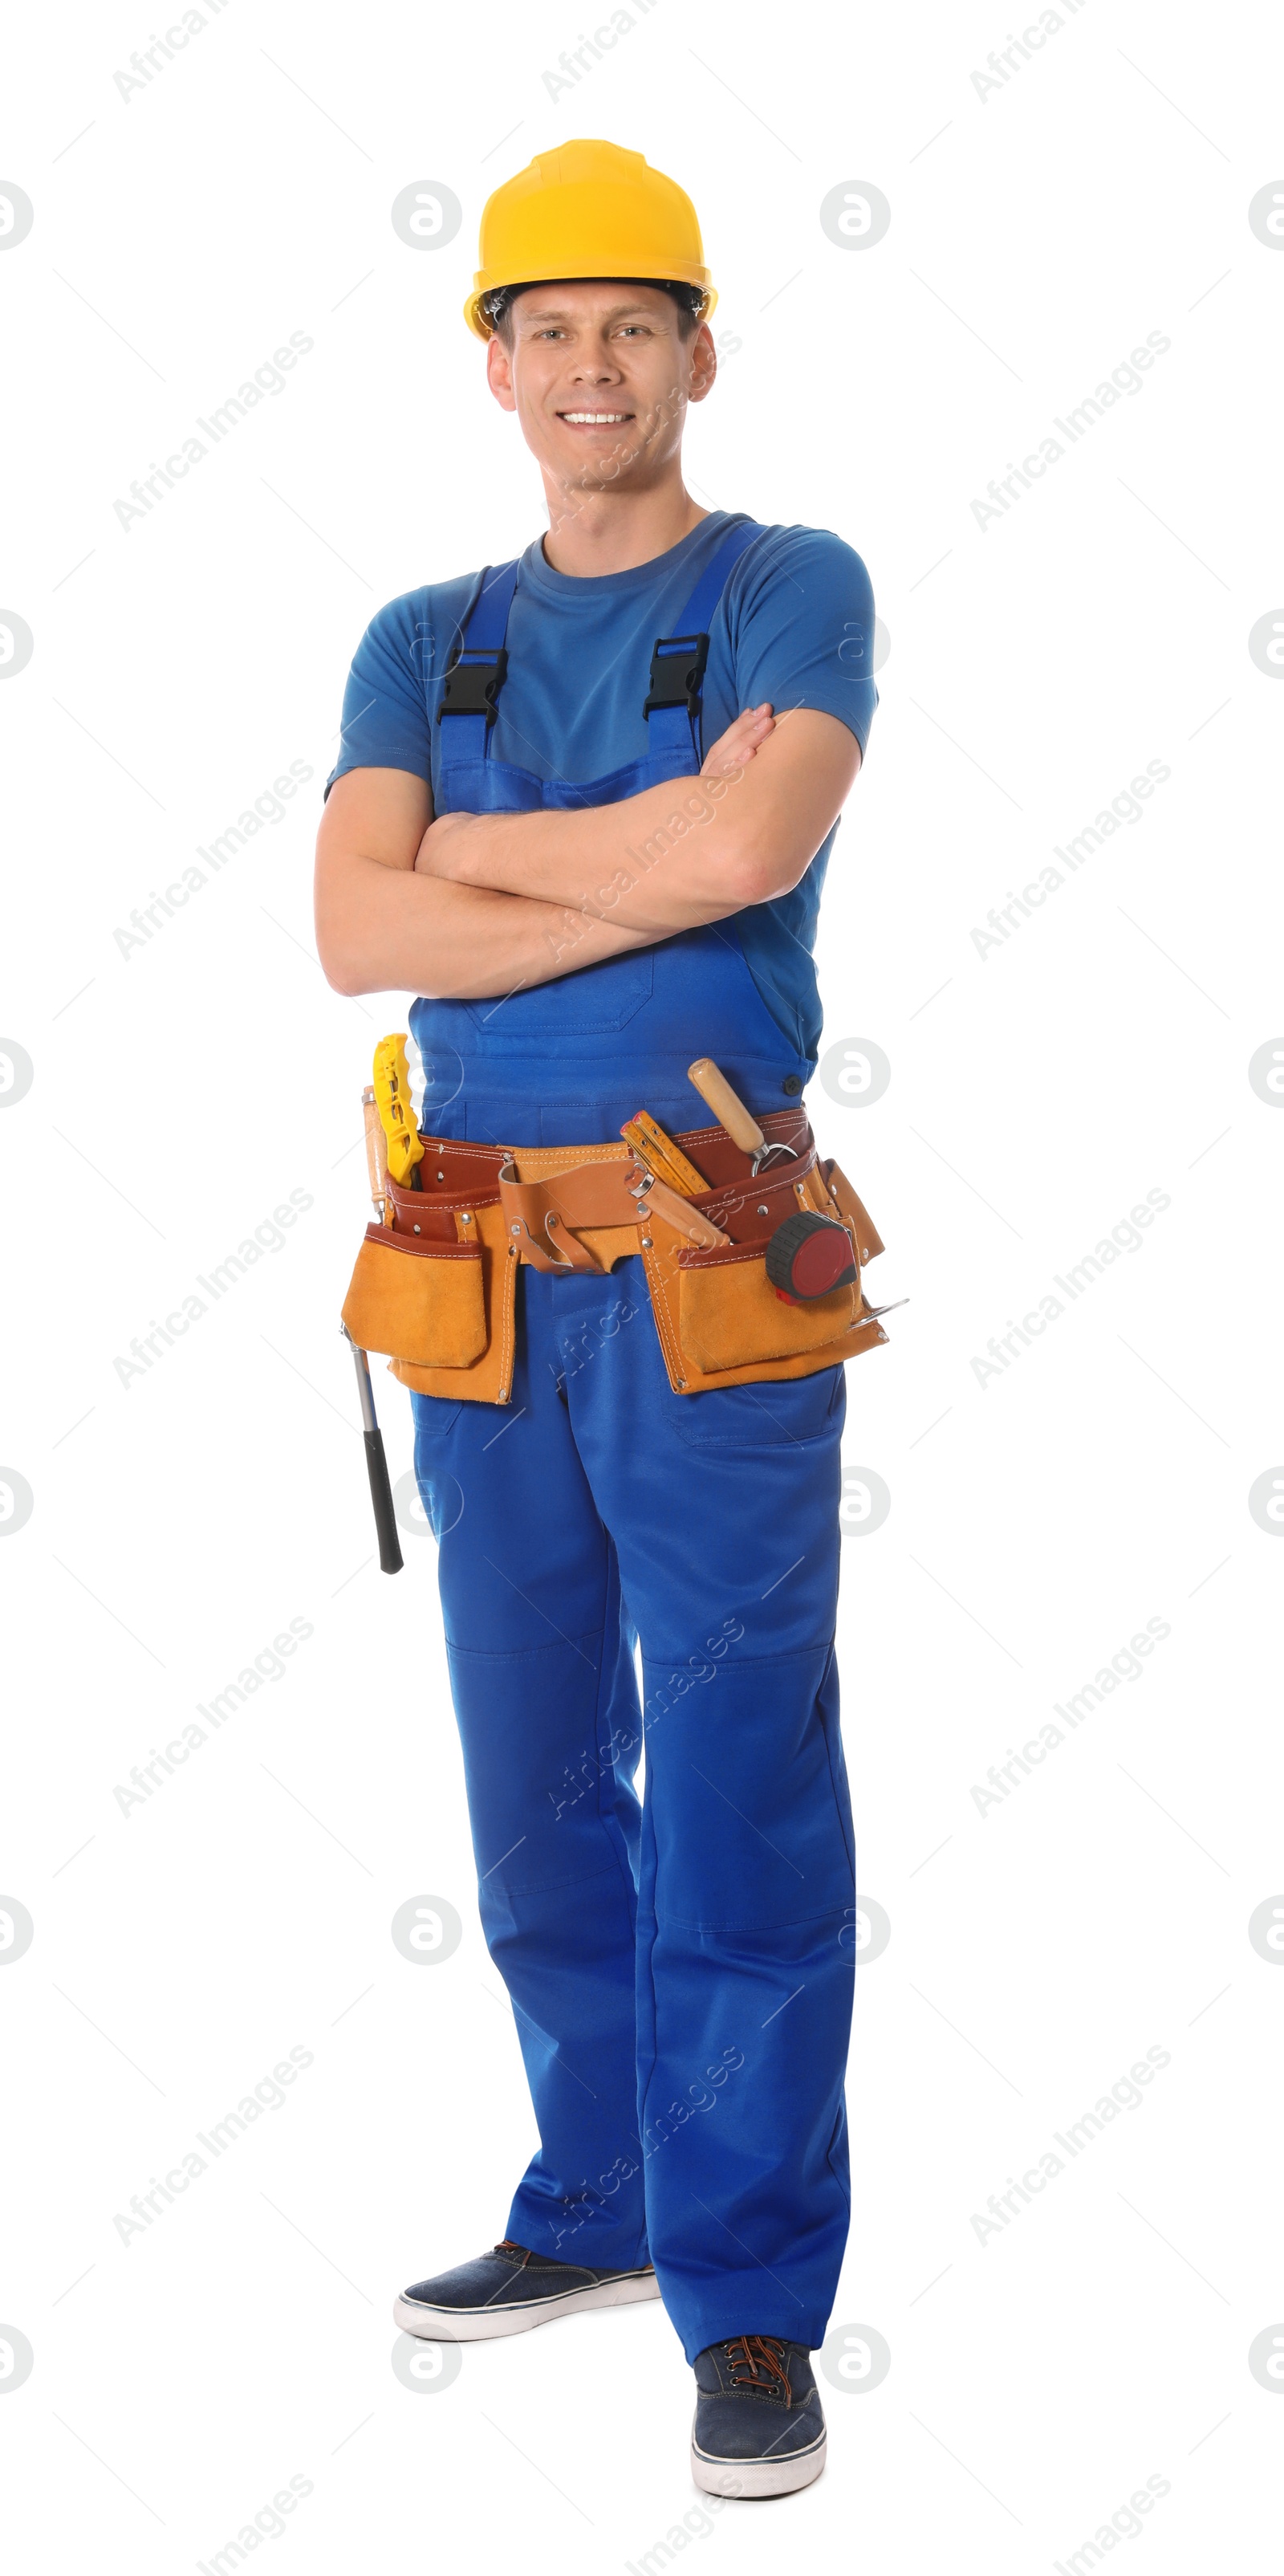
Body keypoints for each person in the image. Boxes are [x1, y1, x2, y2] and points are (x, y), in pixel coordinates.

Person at [315, 138, 880, 2499]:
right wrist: (612, 851)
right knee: (535, 1776)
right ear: (493, 367)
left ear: (700, 352)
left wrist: (467, 853)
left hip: (711, 1255)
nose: (587, 366)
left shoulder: (790, 586)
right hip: (471, 1272)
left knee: (738, 1776)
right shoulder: (415, 636)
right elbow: (355, 936)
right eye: (544, 329)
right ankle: (602, 2204)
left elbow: (752, 856)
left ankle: (748, 2304)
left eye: (631, 325)